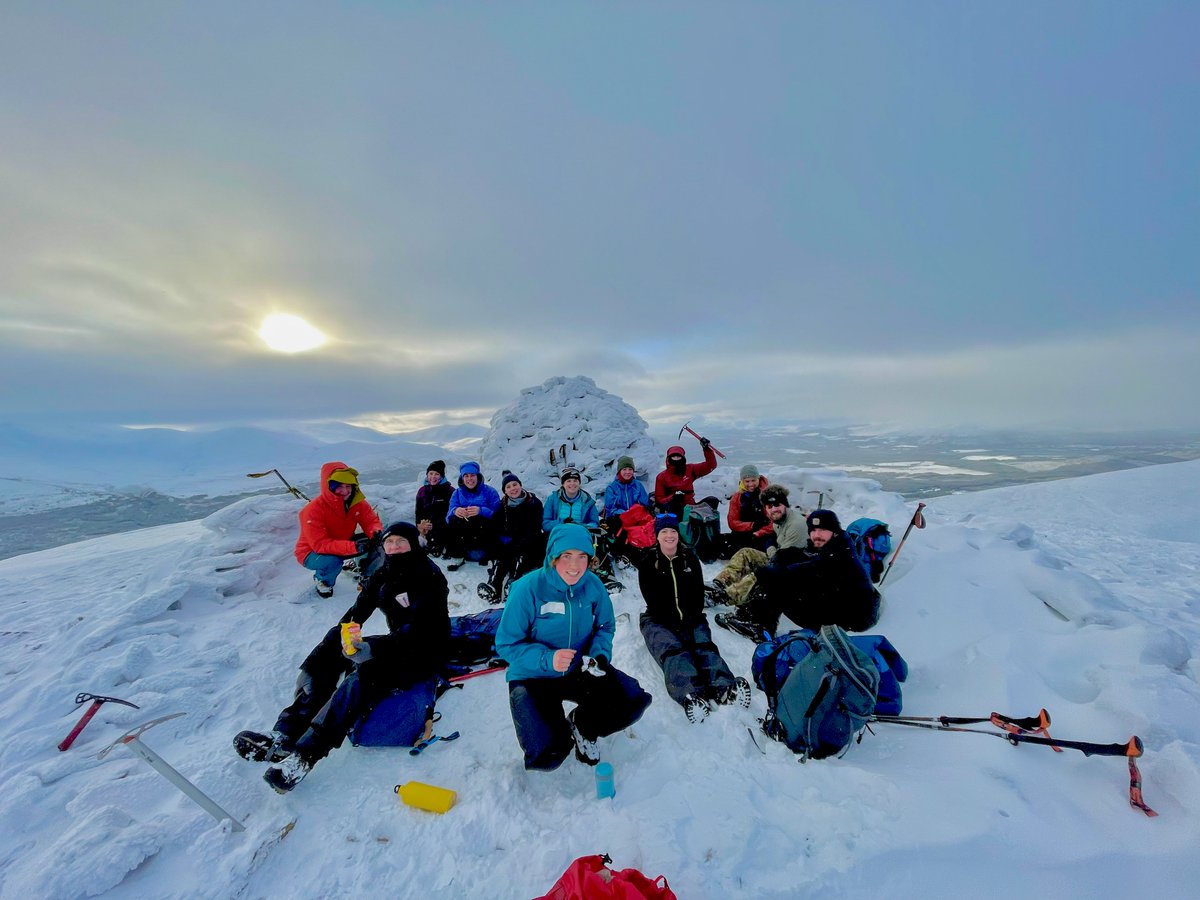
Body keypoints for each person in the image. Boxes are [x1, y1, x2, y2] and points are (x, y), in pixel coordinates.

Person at [237, 521, 450, 792]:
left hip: (426, 649)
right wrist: (344, 633)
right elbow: (359, 609)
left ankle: (304, 757)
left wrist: (373, 650)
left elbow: (421, 629)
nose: (394, 547)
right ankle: (285, 733)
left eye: (401, 542)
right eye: (389, 542)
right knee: (331, 645)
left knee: (367, 674)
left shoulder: (428, 576)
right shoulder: (383, 573)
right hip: (398, 643)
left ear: (413, 545)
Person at [495, 523, 652, 770]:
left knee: (633, 701)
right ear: (553, 557)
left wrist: (598, 654)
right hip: (532, 675)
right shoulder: (527, 589)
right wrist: (547, 659)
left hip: (578, 668)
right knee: (547, 755)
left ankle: (583, 724)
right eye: (566, 556)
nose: (574, 565)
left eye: (582, 557)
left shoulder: (592, 585)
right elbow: (506, 644)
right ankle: (554, 731)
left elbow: (605, 626)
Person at [633, 515, 750, 724]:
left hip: (690, 615)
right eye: (664, 532)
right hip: (658, 618)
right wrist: (674, 624)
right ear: (657, 536)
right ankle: (691, 696)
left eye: (673, 531)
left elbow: (697, 592)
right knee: (674, 651)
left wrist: (689, 618)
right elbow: (650, 595)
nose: (669, 536)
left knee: (703, 646)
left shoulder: (689, 558)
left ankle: (725, 688)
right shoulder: (649, 561)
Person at [717, 509, 880, 640]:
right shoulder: (836, 544)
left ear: (834, 531)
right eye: (814, 530)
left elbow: (806, 572)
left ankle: (759, 627)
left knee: (778, 583)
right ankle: (754, 615)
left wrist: (767, 573)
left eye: (823, 530)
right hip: (841, 600)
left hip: (850, 618)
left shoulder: (839, 555)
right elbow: (806, 560)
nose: (817, 535)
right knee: (785, 557)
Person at [293, 462, 383, 598]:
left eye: (348, 486)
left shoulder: (356, 503)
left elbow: (370, 521)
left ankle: (366, 572)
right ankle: (323, 581)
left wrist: (376, 532)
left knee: (378, 542)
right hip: (311, 552)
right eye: (339, 486)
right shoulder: (313, 510)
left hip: (342, 543)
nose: (345, 491)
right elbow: (320, 544)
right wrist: (354, 547)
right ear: (328, 486)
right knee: (333, 561)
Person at [709, 483, 805, 607]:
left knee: (763, 572)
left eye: (777, 504)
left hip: (794, 573)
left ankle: (725, 597)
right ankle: (720, 583)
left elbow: (779, 560)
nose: (773, 509)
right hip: (782, 559)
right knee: (746, 553)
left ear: (785, 504)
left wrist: (770, 546)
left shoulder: (796, 525)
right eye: (769, 506)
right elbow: (773, 541)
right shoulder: (778, 519)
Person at [479, 472, 546, 603]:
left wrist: (517, 540)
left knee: (519, 557)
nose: (512, 489)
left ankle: (513, 584)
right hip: (509, 542)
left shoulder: (534, 503)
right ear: (505, 491)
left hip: (529, 542)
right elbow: (495, 525)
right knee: (502, 557)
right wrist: (499, 539)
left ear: (520, 485)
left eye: (515, 485)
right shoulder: (503, 505)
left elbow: (535, 527)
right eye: (508, 487)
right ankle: (494, 586)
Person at [444, 461, 501, 571]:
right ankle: (457, 556)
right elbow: (448, 517)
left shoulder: (490, 491)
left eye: (472, 475)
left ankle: (490, 557)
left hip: (483, 536)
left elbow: (498, 516)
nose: (469, 479)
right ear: (462, 478)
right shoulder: (456, 493)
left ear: (478, 476)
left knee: (488, 523)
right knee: (453, 521)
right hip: (466, 537)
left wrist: (481, 511)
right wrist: (455, 511)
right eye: (466, 476)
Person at [653, 438, 718, 518]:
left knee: (712, 501)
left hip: (691, 506)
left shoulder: (690, 469)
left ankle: (710, 527)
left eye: (678, 456)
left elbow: (710, 465)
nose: (676, 459)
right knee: (678, 510)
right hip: (674, 509)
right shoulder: (662, 476)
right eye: (673, 457)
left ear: (682, 457)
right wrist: (673, 498)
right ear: (669, 458)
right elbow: (659, 500)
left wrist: (707, 449)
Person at [725, 464, 774, 554]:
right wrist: (753, 525)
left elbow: (775, 521)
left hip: (764, 532)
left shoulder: (768, 495)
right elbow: (732, 522)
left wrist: (760, 531)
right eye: (747, 481)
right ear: (742, 481)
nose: (751, 484)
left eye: (753, 480)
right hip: (744, 532)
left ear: (758, 479)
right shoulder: (737, 498)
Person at [542, 466, 600, 531]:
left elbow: (594, 522)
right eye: (568, 481)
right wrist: (562, 522)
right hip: (558, 535)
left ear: (579, 483)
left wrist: (581, 526)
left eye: (575, 481)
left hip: (580, 535)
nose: (572, 484)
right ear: (563, 484)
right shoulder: (552, 500)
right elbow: (546, 524)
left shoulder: (587, 501)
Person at [415, 460, 454, 557]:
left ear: (442, 476)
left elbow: (451, 513)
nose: (433, 477)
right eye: (431, 473)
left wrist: (435, 525)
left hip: (443, 527)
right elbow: (418, 511)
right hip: (426, 526)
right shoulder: (422, 491)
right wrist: (420, 524)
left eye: (437, 474)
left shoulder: (449, 491)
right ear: (427, 475)